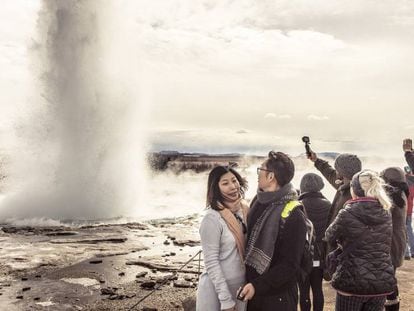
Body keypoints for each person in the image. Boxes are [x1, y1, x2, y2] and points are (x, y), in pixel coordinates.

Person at [238, 151, 307, 311]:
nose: (257, 174)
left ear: (271, 176)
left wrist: (257, 285)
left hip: (278, 298)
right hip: (254, 293)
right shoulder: (257, 201)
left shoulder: (294, 214)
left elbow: (290, 265)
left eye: (260, 169)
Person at [325, 169, 396, 311]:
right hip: (380, 281)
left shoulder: (347, 212)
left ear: (355, 190)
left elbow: (329, 236)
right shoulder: (385, 212)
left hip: (352, 280)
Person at [196, 165, 249, 311]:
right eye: (225, 183)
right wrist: (225, 299)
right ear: (216, 188)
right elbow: (211, 261)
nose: (233, 186)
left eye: (234, 180)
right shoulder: (212, 218)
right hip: (216, 289)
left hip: (241, 286)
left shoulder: (245, 209)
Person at [297, 173, 331, 311]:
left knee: (303, 291)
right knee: (318, 290)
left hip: (302, 256)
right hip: (321, 253)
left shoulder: (298, 205)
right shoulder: (328, 204)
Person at [381, 167, 409, 311]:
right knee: (390, 277)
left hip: (390, 242)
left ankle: (392, 306)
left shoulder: (392, 196)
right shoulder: (401, 193)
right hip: (398, 240)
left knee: (388, 279)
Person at [404, 165, 414, 260]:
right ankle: (413, 251)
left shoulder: (402, 181)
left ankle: (406, 253)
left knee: (402, 230)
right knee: (409, 230)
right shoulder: (413, 183)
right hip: (410, 209)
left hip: (403, 209)